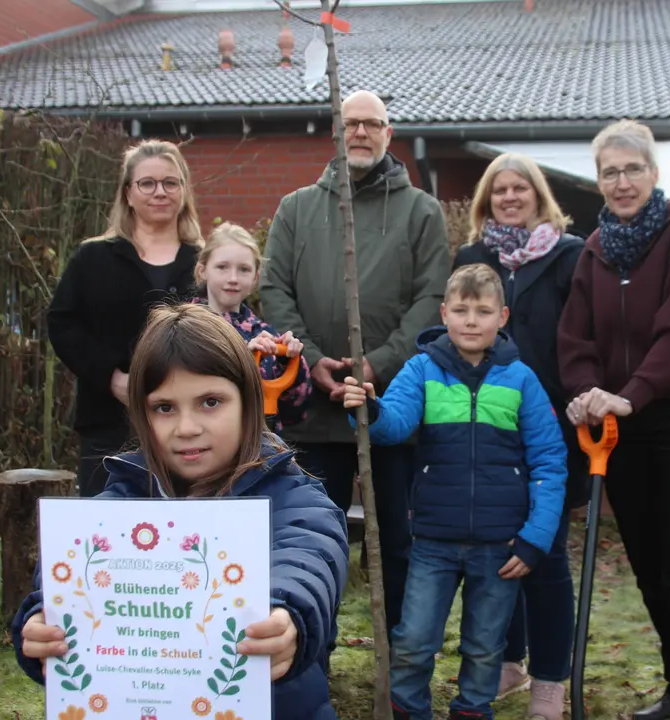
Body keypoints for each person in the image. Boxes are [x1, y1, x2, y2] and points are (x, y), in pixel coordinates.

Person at [12, 304, 349, 720]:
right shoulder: (116, 509)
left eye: (210, 402)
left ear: (248, 403)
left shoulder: (293, 498)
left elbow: (310, 556)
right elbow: (66, 579)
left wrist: (288, 612)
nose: (186, 428)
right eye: (164, 408)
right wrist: (42, 624)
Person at [260, 89, 451, 634]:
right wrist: (314, 358)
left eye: (373, 123)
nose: (361, 132)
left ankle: (400, 659)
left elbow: (431, 297)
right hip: (314, 411)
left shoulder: (422, 212)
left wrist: (380, 363)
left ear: (389, 134)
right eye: (350, 124)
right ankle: (310, 648)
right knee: (310, 540)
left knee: (396, 542)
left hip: (392, 407)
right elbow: (275, 290)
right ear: (335, 132)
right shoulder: (297, 208)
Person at [341, 264, 568, 720]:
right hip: (433, 540)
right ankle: (408, 709)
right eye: (461, 310)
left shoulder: (521, 380)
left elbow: (550, 461)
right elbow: (394, 424)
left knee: (485, 646)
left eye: (482, 311)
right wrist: (368, 408)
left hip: (502, 545)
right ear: (444, 313)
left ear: (502, 316)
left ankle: (472, 710)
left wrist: (536, 538)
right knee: (414, 639)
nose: (471, 321)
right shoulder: (422, 370)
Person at [558, 119, 670, 720]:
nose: (622, 182)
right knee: (651, 568)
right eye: (611, 172)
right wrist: (586, 393)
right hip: (622, 426)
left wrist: (633, 393)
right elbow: (575, 337)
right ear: (598, 181)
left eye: (633, 169)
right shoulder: (595, 250)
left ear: (653, 173)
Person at [452, 152, 584, 720]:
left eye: (519, 188)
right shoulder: (471, 258)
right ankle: (507, 660)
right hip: (484, 424)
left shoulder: (568, 255)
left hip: (551, 422)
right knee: (492, 550)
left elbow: (583, 334)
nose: (509, 197)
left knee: (545, 555)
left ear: (538, 196)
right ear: (487, 199)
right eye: (499, 189)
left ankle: (550, 680)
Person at [48, 140, 204, 497]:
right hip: (109, 421)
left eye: (170, 182)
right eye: (147, 183)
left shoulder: (205, 262)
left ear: (183, 191)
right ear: (128, 194)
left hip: (190, 425)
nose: (159, 192)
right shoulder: (92, 259)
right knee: (111, 522)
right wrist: (111, 377)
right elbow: (63, 324)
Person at [188, 222, 312, 434]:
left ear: (255, 277)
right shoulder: (184, 330)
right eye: (222, 267)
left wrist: (289, 362)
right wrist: (242, 358)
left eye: (244, 269)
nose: (233, 279)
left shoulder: (266, 336)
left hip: (260, 445)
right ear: (203, 271)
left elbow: (296, 411)